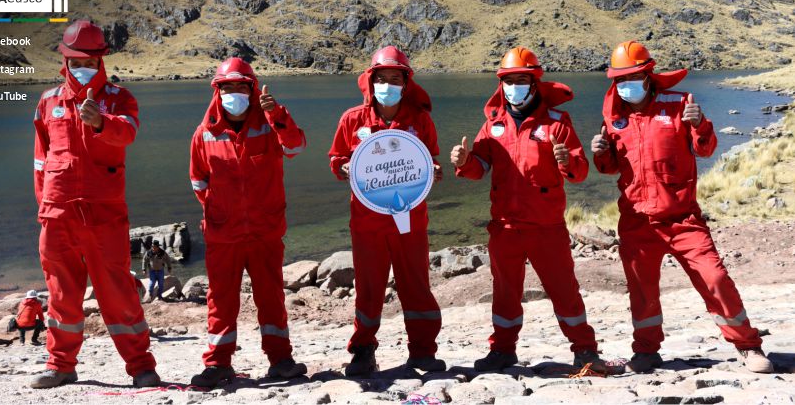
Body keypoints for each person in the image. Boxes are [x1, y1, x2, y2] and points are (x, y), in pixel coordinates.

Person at [591, 40, 774, 374]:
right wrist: (601, 152)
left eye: (632, 76)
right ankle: (646, 350)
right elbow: (611, 168)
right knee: (641, 290)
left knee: (714, 278)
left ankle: (748, 345)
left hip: (682, 218)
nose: (625, 84)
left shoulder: (679, 105)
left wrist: (700, 123)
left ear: (648, 75)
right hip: (636, 220)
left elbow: (705, 150)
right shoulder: (614, 117)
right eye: (619, 79)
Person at [451, 47, 616, 373]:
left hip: (546, 227)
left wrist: (566, 161)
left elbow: (580, 172)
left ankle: (585, 349)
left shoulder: (557, 123)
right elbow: (479, 168)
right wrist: (465, 161)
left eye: (522, 81)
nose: (515, 87)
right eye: (509, 81)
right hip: (505, 226)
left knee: (564, 290)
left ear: (534, 83)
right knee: (505, 293)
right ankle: (502, 351)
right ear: (501, 84)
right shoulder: (493, 124)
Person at [31, 20, 160, 388]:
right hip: (57, 212)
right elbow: (40, 160)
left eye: (90, 61)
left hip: (104, 213)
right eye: (77, 61)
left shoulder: (120, 98)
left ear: (101, 60)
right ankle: (60, 365)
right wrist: (44, 207)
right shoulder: (48, 101)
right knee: (61, 293)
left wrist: (101, 122)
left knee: (117, 290)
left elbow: (128, 132)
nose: (83, 67)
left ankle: (141, 367)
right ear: (66, 61)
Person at [188, 57, 308, 387]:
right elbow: (198, 181)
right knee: (221, 300)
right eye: (227, 87)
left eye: (240, 87)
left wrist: (278, 114)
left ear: (252, 90)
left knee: (271, 297)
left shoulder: (270, 125)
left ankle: (281, 360)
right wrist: (220, 213)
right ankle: (218, 364)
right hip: (222, 234)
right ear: (217, 91)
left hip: (265, 231)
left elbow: (296, 146)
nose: (234, 93)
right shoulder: (204, 133)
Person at [329, 46, 445, 376]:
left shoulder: (420, 120)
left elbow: (430, 160)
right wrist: (344, 167)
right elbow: (336, 159)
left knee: (416, 285)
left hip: (410, 221)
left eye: (395, 78)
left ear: (406, 83)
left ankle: (422, 351)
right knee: (368, 289)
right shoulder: (352, 119)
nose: (388, 85)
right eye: (382, 78)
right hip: (367, 222)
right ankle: (363, 350)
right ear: (371, 81)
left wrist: (434, 170)